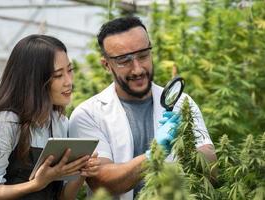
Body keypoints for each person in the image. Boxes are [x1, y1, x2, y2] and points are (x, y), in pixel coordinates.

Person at [69, 16, 217, 200]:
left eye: (143, 55)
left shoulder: (182, 103)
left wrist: (184, 143)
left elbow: (213, 171)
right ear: (106, 65)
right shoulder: (88, 115)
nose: (138, 69)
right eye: (124, 60)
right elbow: (102, 182)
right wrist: (156, 154)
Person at [0, 34, 100, 200]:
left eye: (70, 70)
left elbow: (63, 197)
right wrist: (36, 184)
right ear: (34, 80)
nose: (68, 81)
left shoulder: (59, 122)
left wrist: (81, 172)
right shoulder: (7, 122)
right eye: (58, 75)